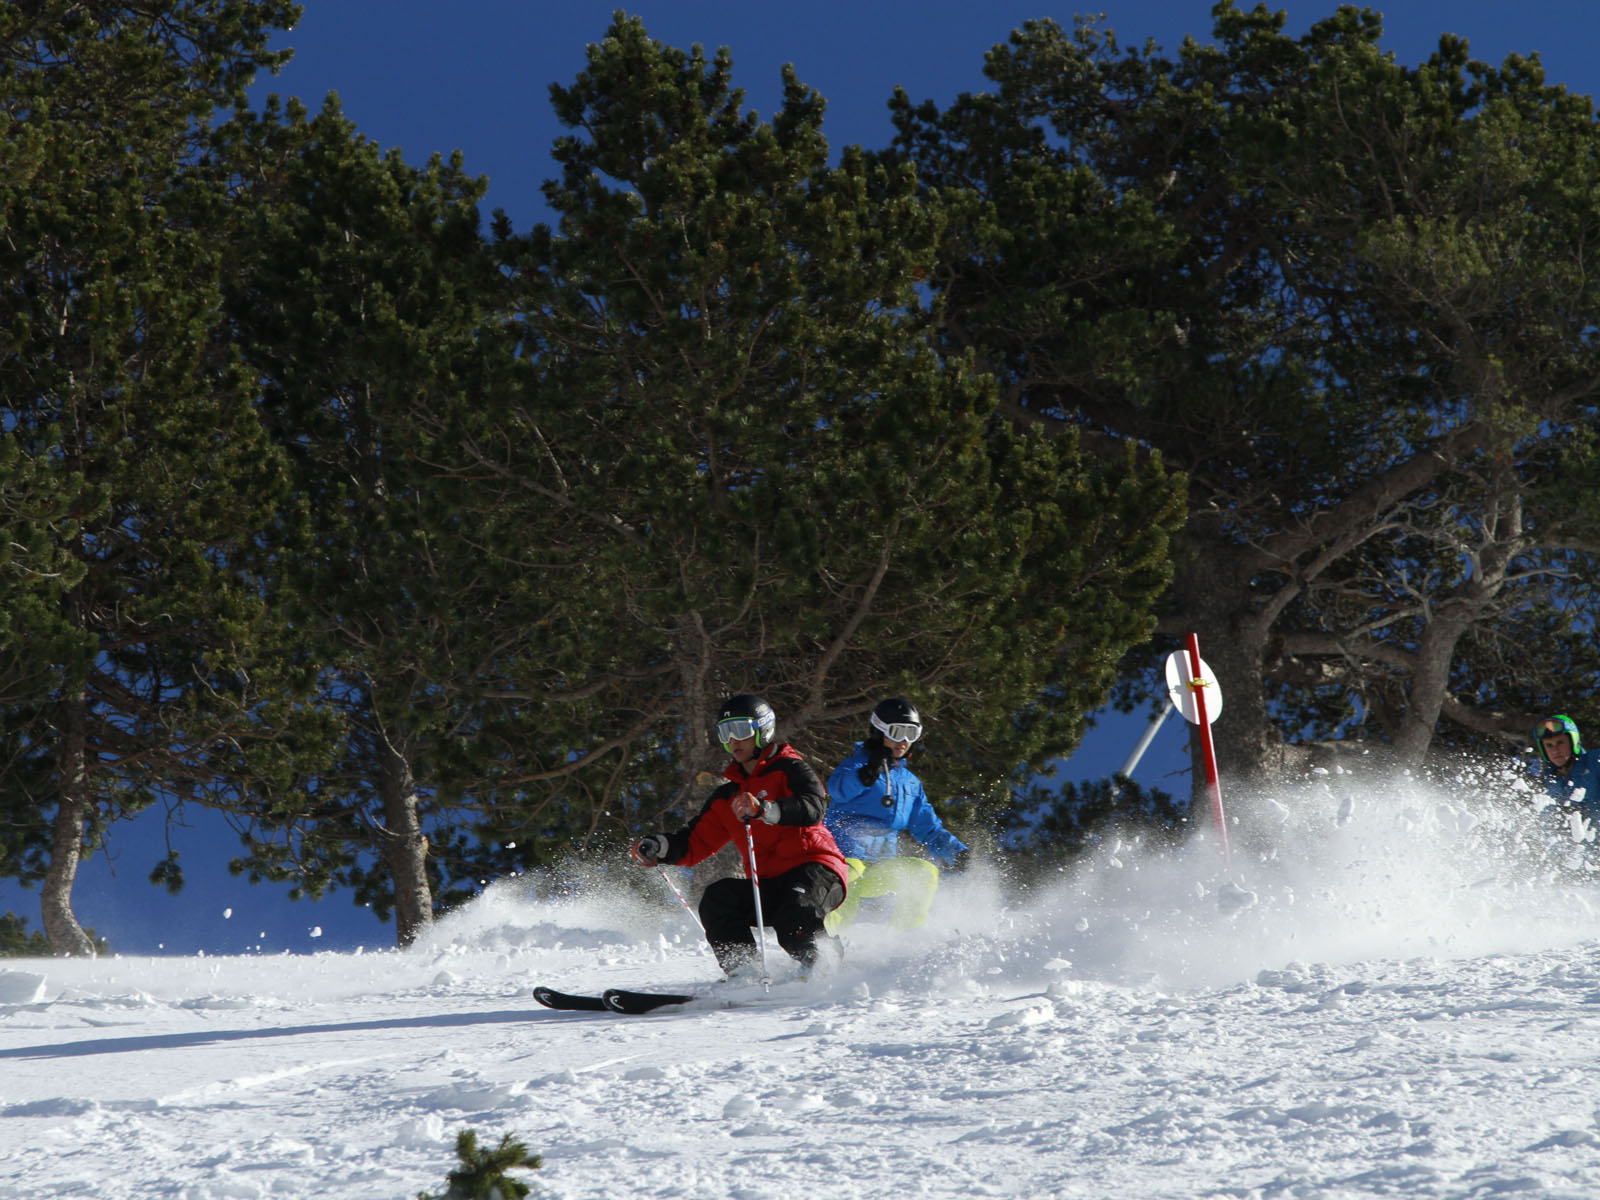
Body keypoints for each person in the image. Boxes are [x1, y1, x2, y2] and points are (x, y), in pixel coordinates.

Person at [631, 694, 848, 975]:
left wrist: (767, 809)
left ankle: (826, 967)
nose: (734, 740)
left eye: (742, 730)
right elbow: (695, 842)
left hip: (817, 869)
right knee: (717, 898)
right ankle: (745, 972)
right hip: (770, 883)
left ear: (763, 730)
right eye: (725, 732)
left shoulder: (789, 768)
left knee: (794, 912)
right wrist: (659, 847)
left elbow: (814, 806)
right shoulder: (728, 796)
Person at [823, 698, 968, 933]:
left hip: (880, 865)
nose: (904, 741)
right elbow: (837, 789)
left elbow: (928, 829)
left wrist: (957, 853)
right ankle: (824, 943)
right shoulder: (856, 766)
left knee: (924, 873)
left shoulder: (910, 784)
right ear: (879, 731)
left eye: (912, 733)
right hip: (843, 857)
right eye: (897, 731)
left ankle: (903, 940)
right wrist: (865, 774)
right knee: (848, 874)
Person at [1532, 714, 1600, 843]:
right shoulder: (1548, 782)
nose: (1555, 750)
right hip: (1574, 858)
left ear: (1573, 742)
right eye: (1549, 745)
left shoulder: (1594, 762)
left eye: (1560, 742)